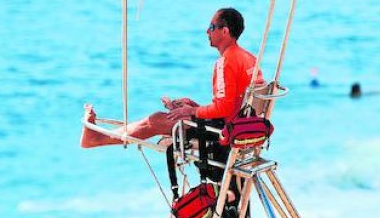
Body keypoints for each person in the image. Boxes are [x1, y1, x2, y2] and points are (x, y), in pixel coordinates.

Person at [80, 8, 260, 150]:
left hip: (222, 131)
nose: (207, 31)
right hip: (240, 127)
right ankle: (97, 137)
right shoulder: (248, 58)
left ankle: (96, 139)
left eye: (212, 27)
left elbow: (226, 107)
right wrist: (193, 107)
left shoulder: (225, 62)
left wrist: (193, 112)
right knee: (166, 116)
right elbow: (232, 104)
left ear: (225, 31)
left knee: (155, 120)